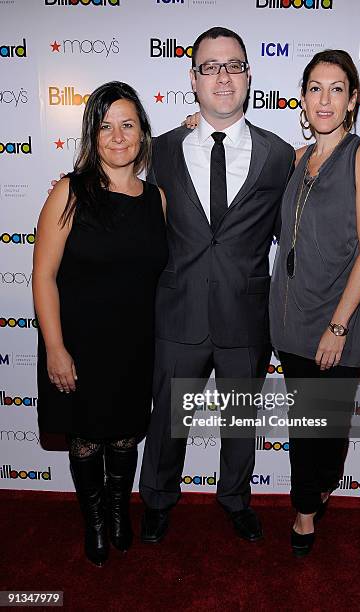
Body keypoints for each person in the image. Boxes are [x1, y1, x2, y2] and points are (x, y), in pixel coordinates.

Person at [138, 27, 295, 543]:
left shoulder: (280, 154)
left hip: (244, 317)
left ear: (248, 75)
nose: (222, 76)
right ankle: (157, 501)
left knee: (240, 423)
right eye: (210, 66)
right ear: (193, 79)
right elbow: (119, 196)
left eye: (232, 65)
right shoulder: (158, 151)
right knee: (167, 423)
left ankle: (235, 500)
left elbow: (293, 231)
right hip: (177, 312)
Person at [33, 81, 168, 566]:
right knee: (87, 439)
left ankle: (117, 512)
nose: (117, 136)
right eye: (105, 126)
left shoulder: (157, 200)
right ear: (92, 136)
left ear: (142, 134)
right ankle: (93, 519)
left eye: (127, 125)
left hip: (133, 347)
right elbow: (43, 276)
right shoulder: (71, 192)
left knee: (127, 435)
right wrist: (55, 347)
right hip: (79, 345)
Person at [269, 50, 360, 556]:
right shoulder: (297, 158)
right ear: (302, 99)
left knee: (328, 431)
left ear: (353, 100)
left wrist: (338, 327)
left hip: (337, 316)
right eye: (315, 88)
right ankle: (304, 513)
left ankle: (314, 494)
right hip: (291, 316)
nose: (325, 98)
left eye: (336, 88)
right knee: (305, 425)